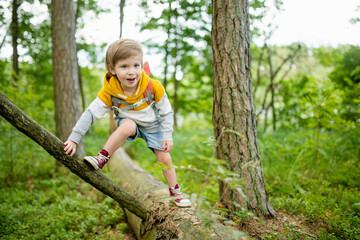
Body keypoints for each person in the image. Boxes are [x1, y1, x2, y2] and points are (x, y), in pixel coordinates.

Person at [63, 39, 191, 207]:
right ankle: (102, 158)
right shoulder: (110, 92)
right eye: (124, 67)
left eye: (136, 65)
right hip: (128, 122)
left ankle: (175, 192)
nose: (131, 72)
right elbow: (90, 114)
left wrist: (167, 135)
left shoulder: (153, 87)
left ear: (141, 65)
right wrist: (74, 138)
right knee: (128, 125)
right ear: (112, 69)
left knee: (165, 159)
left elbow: (166, 112)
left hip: (152, 125)